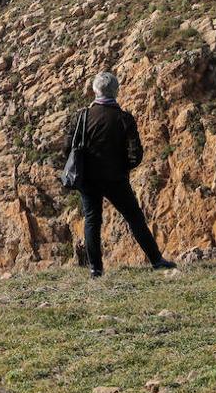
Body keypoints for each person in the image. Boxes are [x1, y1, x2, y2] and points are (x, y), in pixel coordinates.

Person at [71, 71, 176, 276]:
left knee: (92, 220)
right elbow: (135, 152)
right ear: (116, 92)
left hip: (88, 179)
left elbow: (69, 147)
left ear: (94, 90)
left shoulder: (82, 116)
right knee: (134, 218)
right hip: (115, 178)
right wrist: (125, 167)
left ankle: (95, 270)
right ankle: (156, 260)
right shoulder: (123, 118)